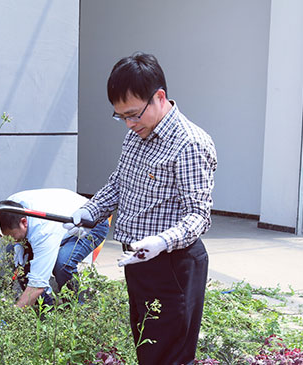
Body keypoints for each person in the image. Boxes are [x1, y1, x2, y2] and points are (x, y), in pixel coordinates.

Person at [65, 52, 217, 364]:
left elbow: (198, 215)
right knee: (148, 350)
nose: (129, 124)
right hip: (139, 260)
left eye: (134, 114)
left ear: (159, 97)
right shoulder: (136, 136)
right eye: (121, 117)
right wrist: (90, 211)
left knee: (169, 356)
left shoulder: (189, 143)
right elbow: (120, 182)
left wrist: (162, 241)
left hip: (173, 265)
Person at [0, 188, 109, 308]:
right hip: (62, 220)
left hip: (91, 223)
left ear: (24, 222)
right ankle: (45, 309)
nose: (10, 240)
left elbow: (37, 286)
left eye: (11, 236)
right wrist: (17, 244)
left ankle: (74, 309)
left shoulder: (43, 232)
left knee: (62, 264)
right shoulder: (9, 206)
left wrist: (13, 314)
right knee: (12, 252)